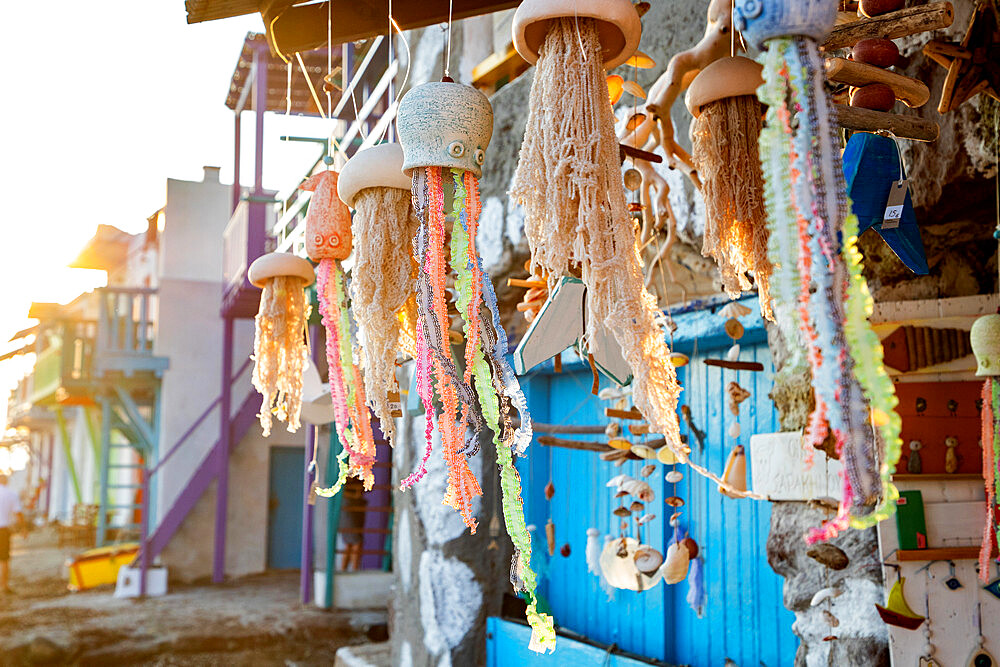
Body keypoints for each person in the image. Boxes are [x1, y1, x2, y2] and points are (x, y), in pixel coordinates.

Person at [0, 474, 25, 595]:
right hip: (3, 530)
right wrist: (23, 529)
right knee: (4, 559)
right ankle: (4, 585)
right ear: (6, 481)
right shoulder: (11, 494)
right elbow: (18, 513)